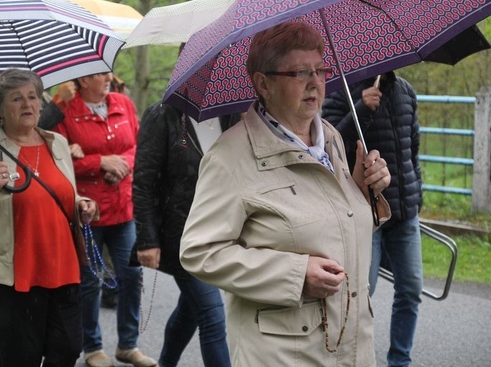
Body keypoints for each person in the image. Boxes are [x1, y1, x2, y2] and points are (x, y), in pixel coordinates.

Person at [179, 22, 392, 366]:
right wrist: (296, 274)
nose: (315, 82)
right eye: (299, 72)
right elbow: (199, 252)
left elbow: (339, 226)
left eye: (321, 70)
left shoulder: (332, 138)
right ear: (263, 83)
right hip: (284, 354)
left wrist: (362, 191)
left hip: (352, 346)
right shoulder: (231, 157)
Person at [0, 68, 99, 367]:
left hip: (63, 270)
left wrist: (82, 204)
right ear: (0, 109)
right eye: (16, 98)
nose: (27, 104)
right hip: (13, 279)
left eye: (33, 97)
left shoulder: (57, 143)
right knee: (21, 360)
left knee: (68, 350)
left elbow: (63, 194)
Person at [53, 72, 156, 367]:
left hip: (123, 208)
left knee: (132, 276)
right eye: (101, 74)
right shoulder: (65, 111)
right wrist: (99, 163)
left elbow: (139, 145)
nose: (109, 78)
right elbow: (60, 159)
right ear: (83, 81)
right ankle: (92, 347)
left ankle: (128, 345)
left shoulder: (123, 103)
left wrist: (122, 165)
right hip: (88, 211)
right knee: (88, 282)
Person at [322, 70, 423, 367]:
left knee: (411, 290)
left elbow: (413, 149)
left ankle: (400, 361)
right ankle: (350, 359)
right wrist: (361, 109)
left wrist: (417, 193)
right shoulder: (342, 92)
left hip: (405, 213)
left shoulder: (406, 91)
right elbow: (331, 147)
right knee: (360, 295)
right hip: (366, 212)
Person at [132, 101, 239, 367]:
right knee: (212, 315)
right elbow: (144, 182)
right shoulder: (163, 115)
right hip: (179, 234)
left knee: (189, 311)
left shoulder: (232, 114)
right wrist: (147, 239)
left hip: (219, 231)